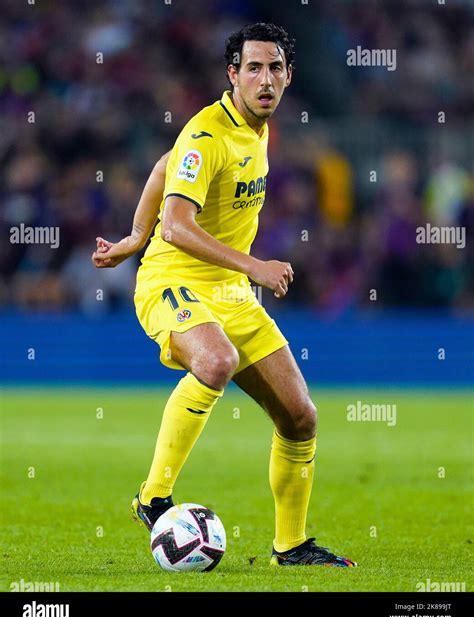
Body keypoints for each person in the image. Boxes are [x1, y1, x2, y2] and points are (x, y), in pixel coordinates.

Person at [92, 22, 355, 567]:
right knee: (215, 360)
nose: (265, 79)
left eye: (275, 68)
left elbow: (166, 166)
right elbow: (178, 227)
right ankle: (152, 496)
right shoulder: (207, 133)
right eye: (253, 68)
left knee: (301, 417)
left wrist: (133, 233)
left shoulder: (257, 129)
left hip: (230, 292)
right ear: (232, 75)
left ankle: (292, 545)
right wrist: (249, 264)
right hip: (173, 281)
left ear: (288, 76)